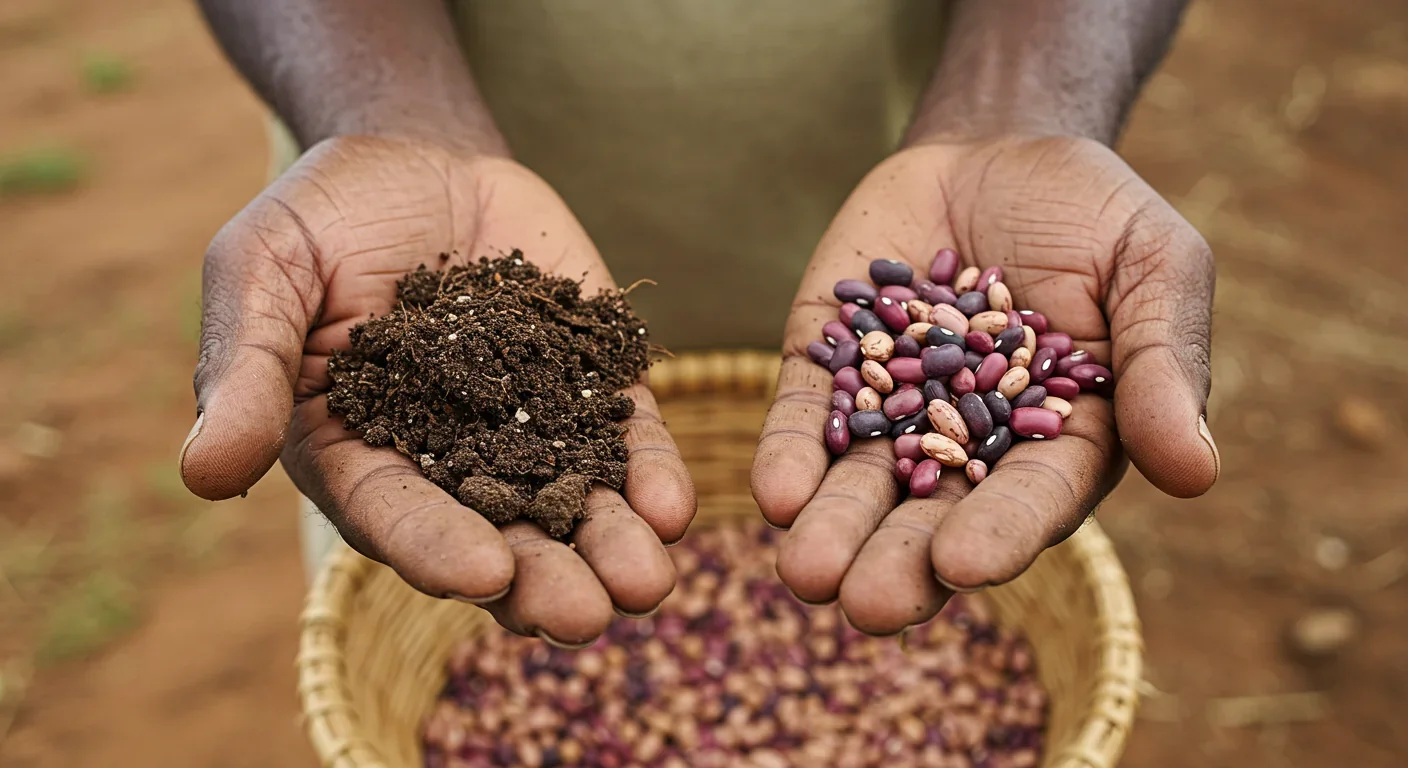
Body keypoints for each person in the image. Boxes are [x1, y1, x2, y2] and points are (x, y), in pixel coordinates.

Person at [180, 0, 1220, 648]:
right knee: (489, 569)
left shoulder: (925, 327)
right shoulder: (404, 334)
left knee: (922, 541)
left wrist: (1023, 107)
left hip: (895, 180)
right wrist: (383, 114)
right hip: (406, 240)